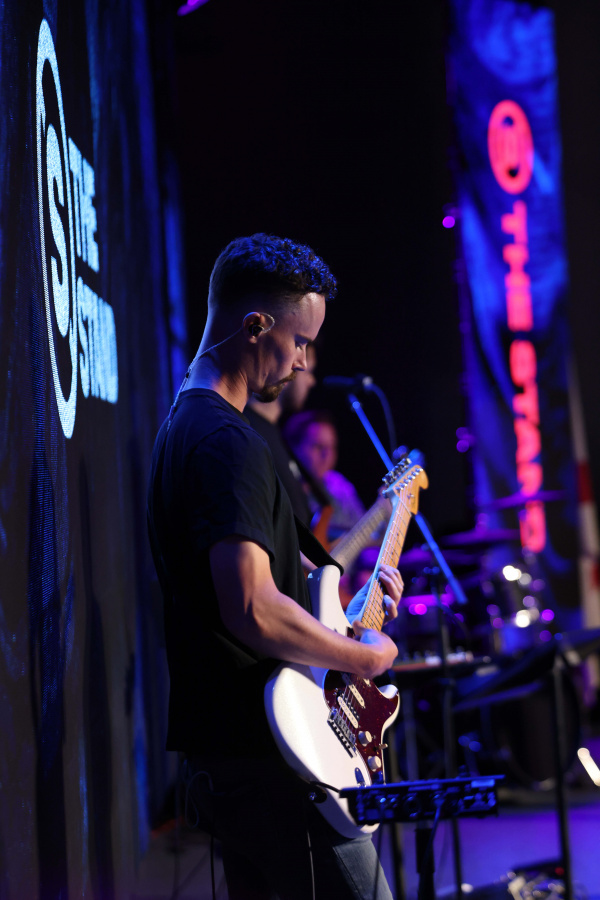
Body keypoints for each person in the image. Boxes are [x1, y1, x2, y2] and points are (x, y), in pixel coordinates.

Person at [147, 233, 402, 900]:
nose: (302, 362)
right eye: (299, 342)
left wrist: (347, 618)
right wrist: (365, 658)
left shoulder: (182, 427)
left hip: (234, 756)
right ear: (256, 326)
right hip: (274, 761)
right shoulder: (228, 443)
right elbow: (253, 609)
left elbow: (261, 597)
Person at [283, 409, 366, 542]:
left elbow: (365, 536)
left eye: (332, 447)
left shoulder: (340, 486)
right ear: (294, 448)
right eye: (318, 446)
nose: (327, 455)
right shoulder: (283, 488)